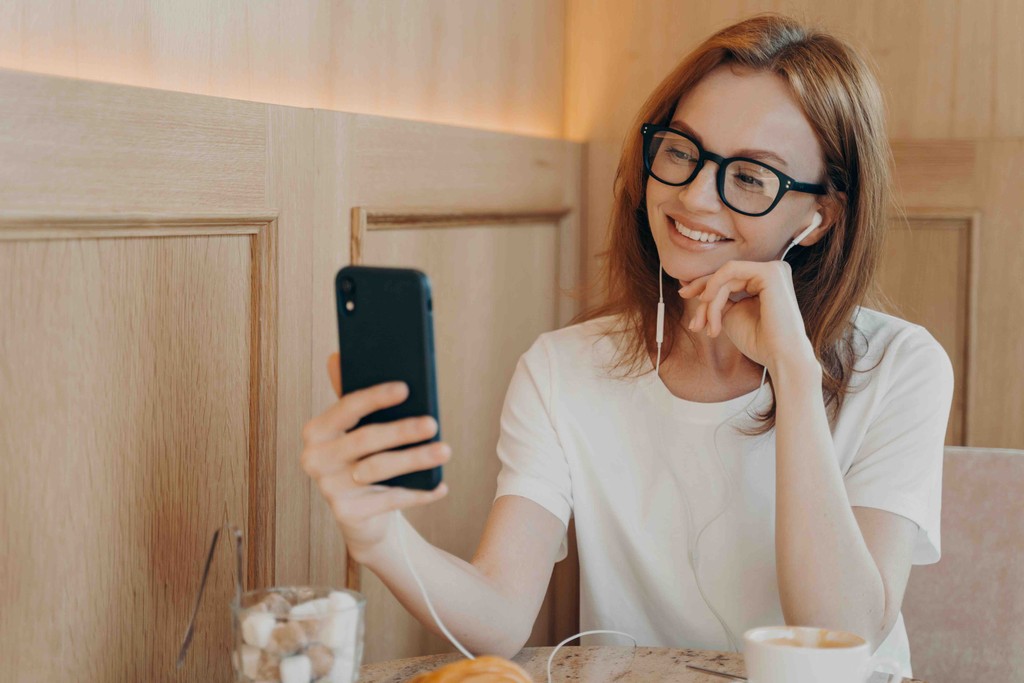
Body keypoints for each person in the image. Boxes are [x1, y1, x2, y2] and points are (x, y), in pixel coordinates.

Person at [300, 13, 953, 676]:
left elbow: (842, 637)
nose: (694, 196)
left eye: (752, 177)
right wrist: (377, 534)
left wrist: (793, 367)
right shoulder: (563, 369)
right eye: (681, 150)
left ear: (820, 218)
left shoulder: (901, 365)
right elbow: (499, 615)